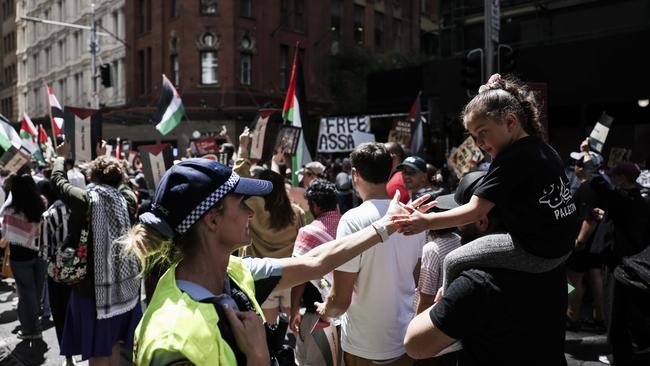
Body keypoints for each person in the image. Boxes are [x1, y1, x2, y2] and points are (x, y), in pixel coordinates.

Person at [126, 157, 409, 365]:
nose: (250, 212)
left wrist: (384, 227)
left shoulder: (234, 272)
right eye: (241, 203)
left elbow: (316, 261)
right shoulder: (174, 336)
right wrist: (258, 357)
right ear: (212, 219)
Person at [393, 73, 578, 292]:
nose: (479, 143)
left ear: (510, 121)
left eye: (483, 133)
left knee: (453, 260)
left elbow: (475, 211)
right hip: (563, 246)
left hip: (539, 252)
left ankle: (446, 315)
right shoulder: (543, 148)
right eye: (474, 136)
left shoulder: (513, 158)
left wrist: (426, 221)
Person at [403, 171, 568, 366]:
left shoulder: (475, 283)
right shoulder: (548, 261)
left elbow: (415, 345)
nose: (455, 224)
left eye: (460, 215)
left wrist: (444, 303)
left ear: (482, 221)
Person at [316, 142, 427, 366]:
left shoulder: (352, 220)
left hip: (363, 346)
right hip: (404, 339)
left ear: (355, 174)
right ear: (390, 172)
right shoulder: (411, 217)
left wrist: (324, 309)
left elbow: (340, 299)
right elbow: (414, 280)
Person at [52, 141, 142, 366]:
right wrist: (108, 158)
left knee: (97, 351)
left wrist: (60, 157)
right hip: (124, 290)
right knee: (111, 345)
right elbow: (125, 186)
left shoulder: (85, 200)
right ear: (119, 179)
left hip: (91, 291)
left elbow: (58, 181)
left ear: (92, 177)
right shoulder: (126, 199)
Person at [234, 132, 306, 324]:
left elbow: (239, 179)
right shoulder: (296, 213)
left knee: (269, 331)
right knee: (295, 332)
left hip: (263, 276)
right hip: (291, 275)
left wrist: (243, 147)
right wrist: (277, 162)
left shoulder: (253, 208)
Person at [591, 161, 650, 365]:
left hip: (618, 264)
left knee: (614, 312)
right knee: (629, 312)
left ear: (622, 178)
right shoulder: (639, 201)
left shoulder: (623, 199)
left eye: (615, 175)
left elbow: (599, 183)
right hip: (633, 264)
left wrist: (589, 158)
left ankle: (618, 355)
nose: (612, 178)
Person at [289, 179, 342, 366]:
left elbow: (299, 274)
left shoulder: (309, 232)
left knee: (313, 361)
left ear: (316, 205)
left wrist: (294, 308)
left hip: (317, 311)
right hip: (347, 309)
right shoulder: (349, 227)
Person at [1, 173, 46, 339]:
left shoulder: (10, 211)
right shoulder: (41, 204)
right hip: (40, 253)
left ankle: (31, 329)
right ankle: (35, 326)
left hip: (20, 258)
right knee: (36, 291)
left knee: (26, 293)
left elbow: (5, 233)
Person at [565, 156, 604, 332]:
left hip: (583, 243)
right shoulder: (600, 186)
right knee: (595, 278)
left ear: (580, 168)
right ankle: (600, 316)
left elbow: (590, 218)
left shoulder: (586, 187)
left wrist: (579, 242)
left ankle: (572, 316)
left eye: (576, 164)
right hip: (596, 243)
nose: (574, 167)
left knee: (573, 281)